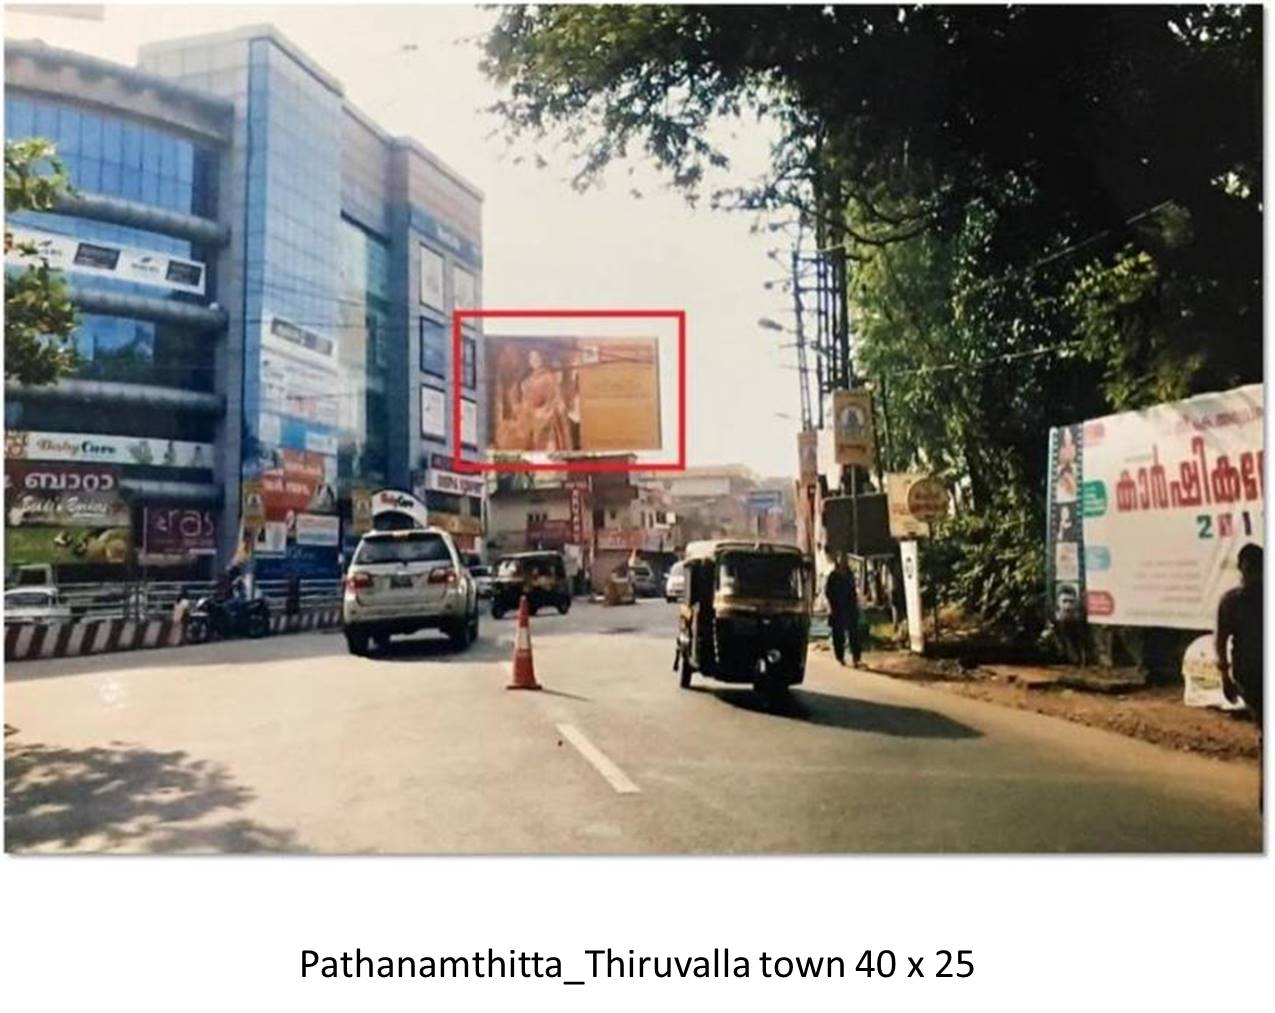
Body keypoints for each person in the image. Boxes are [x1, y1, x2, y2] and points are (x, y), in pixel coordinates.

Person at [1217, 543, 1263, 729]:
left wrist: (1225, 677)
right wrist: (1225, 676)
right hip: (1248, 672)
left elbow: (1221, 641)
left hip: (1247, 672)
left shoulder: (1231, 601)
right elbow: (1221, 640)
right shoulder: (1232, 601)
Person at [825, 554, 862, 667]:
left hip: (850, 608)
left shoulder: (849, 575)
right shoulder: (833, 576)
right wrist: (833, 605)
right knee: (838, 634)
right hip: (837, 609)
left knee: (854, 633)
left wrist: (855, 603)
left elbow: (853, 591)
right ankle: (840, 657)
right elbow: (828, 592)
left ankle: (856, 657)